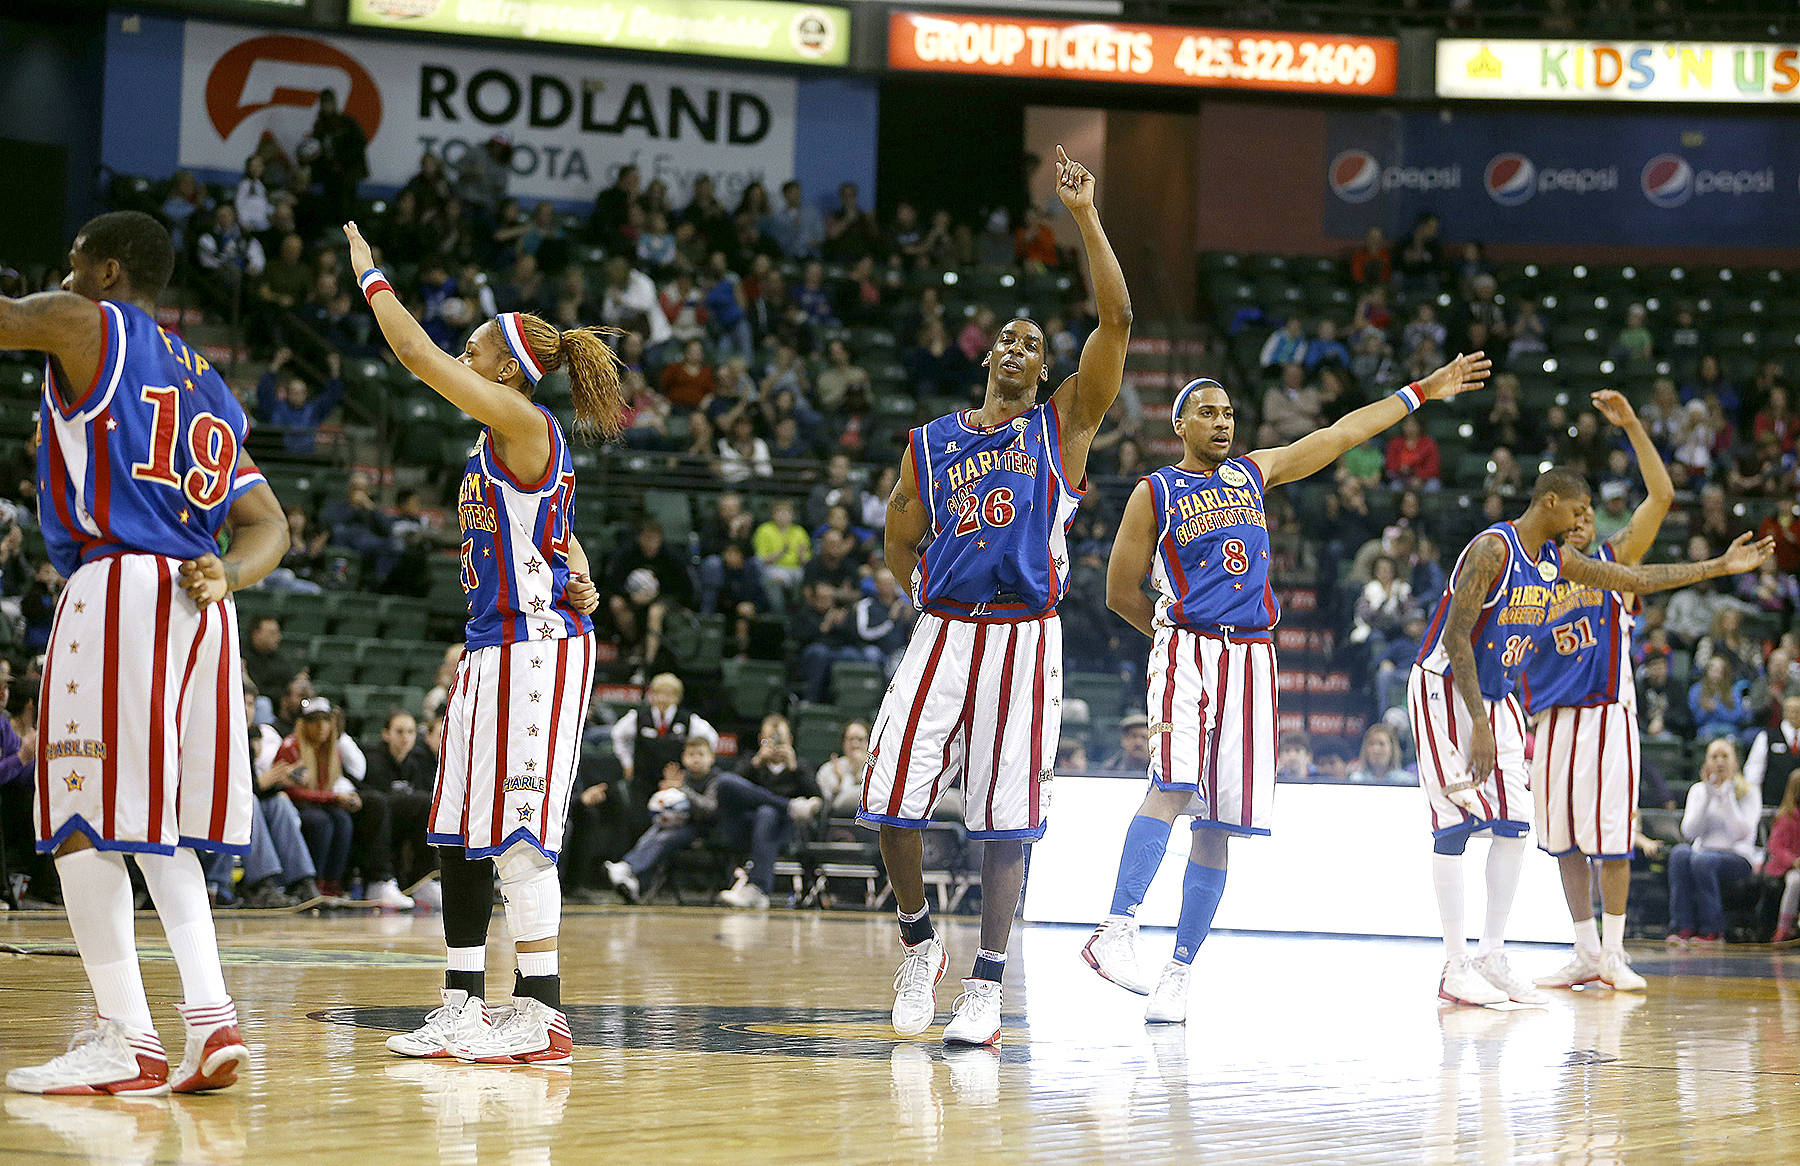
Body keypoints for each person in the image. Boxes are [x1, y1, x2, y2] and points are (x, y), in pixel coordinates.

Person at [1082, 354, 1493, 1018]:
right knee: (1172, 784)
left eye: (1229, 413)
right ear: (1179, 423)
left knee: (1218, 824)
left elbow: (1338, 436)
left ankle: (1179, 973)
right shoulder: (1153, 492)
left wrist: (1421, 393)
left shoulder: (1253, 472)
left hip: (1251, 657)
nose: (1222, 422)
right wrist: (1171, 636)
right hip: (1187, 647)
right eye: (1208, 413)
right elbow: (1117, 592)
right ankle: (1116, 928)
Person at [1, 211, 291, 1095]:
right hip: (202, 606)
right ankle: (210, 1023)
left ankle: (125, 1037)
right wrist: (230, 575)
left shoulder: (87, 320)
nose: (64, 275)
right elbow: (270, 525)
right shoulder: (210, 380)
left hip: (119, 587)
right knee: (155, 828)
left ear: (109, 271)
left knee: (82, 822)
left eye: (74, 262)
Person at [863, 148, 1128, 1047]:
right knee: (892, 795)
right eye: (1007, 338)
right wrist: (920, 593)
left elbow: (1118, 321)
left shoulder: (1064, 423)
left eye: (1035, 344)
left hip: (1025, 634)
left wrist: (1084, 217)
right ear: (986, 355)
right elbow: (899, 536)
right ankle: (917, 944)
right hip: (944, 629)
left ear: (1045, 370)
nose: (1019, 348)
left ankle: (986, 983)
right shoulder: (930, 444)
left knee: (1005, 818)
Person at [345, 221, 620, 1067]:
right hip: (491, 644)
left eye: (474, 345)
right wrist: (579, 566)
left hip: (536, 647)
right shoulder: (502, 436)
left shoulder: (522, 419)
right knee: (459, 830)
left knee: (521, 832)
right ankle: (463, 1004)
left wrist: (370, 278)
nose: (460, 352)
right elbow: (560, 528)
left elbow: (420, 359)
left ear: (506, 367)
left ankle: (542, 1015)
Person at [1409, 468, 1770, 1007]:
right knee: (1456, 823)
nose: (1586, 521)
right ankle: (1454, 963)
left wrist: (1717, 566)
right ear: (1549, 501)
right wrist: (1478, 725)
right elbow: (1455, 635)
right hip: (1445, 688)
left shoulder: (1557, 560)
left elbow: (1637, 582)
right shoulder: (1492, 548)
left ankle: (1490, 954)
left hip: (1499, 694)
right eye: (1578, 511)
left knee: (1513, 824)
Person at [1526, 391, 1672, 996]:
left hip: (1609, 713)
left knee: (1612, 838)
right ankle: (1584, 951)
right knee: (1563, 841)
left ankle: (1614, 952)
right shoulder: (1530, 571)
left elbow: (1661, 496)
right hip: (1551, 717)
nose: (1583, 522)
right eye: (1575, 514)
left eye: (1591, 515)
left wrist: (1633, 425)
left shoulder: (1616, 560)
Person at [1667, 739, 1763, 946]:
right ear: (1706, 762)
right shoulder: (1698, 791)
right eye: (1714, 757)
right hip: (1702, 853)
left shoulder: (1749, 791)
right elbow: (1689, 832)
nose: (1719, 762)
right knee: (1679, 853)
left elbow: (1740, 833)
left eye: (1725, 756)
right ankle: (1682, 926)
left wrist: (1726, 795)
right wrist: (1709, 796)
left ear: (1735, 762)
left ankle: (1713, 930)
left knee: (1703, 860)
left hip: (1738, 857)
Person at [1744, 692, 1800, 810]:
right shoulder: (1766, 737)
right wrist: (1754, 804)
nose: (1795, 714)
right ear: (1784, 712)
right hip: (1771, 806)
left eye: (1798, 711)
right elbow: (1754, 772)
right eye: (1792, 710)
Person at [1764, 773, 1800, 943]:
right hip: (1790, 868)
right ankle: (1784, 927)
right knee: (1795, 882)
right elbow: (1776, 847)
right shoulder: (1786, 817)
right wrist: (1794, 861)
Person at [816, 721, 871, 816]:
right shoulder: (828, 769)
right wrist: (840, 781)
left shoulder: (877, 770)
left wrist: (859, 773)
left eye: (860, 740)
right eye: (851, 739)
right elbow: (829, 805)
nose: (855, 745)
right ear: (843, 742)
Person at [1346, 724, 1411, 785]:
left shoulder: (1407, 781)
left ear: (1392, 749)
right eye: (1371, 744)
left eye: (1381, 744)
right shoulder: (1355, 780)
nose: (1376, 750)